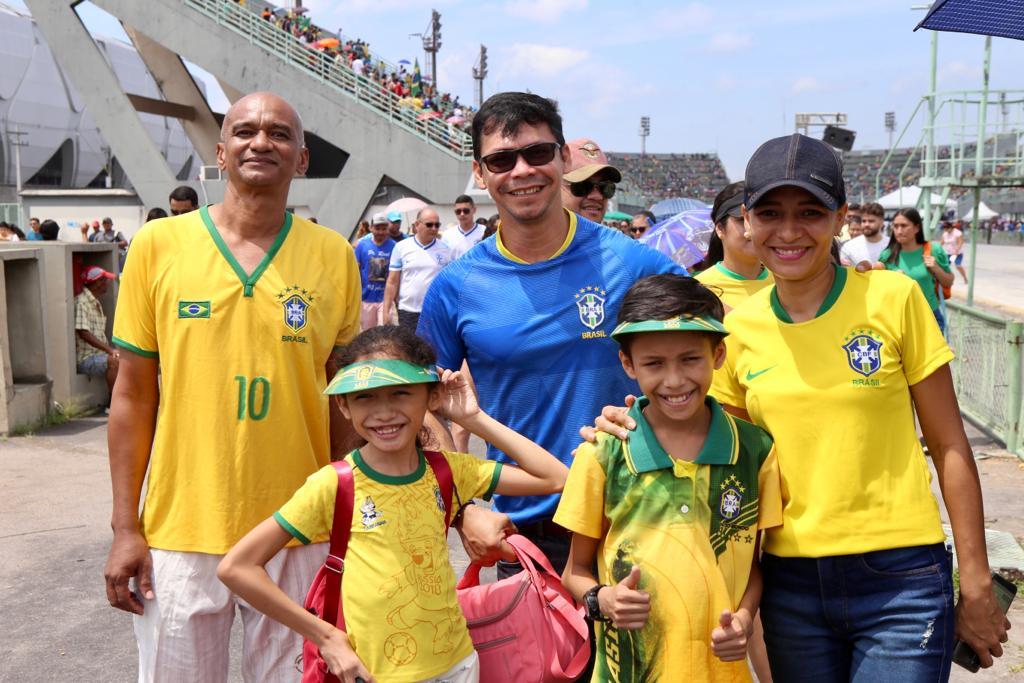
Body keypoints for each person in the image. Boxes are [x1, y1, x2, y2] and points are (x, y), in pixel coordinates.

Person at [594, 133, 1008, 680]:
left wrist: (975, 579)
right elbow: (715, 447)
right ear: (745, 220)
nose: (789, 232)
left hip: (902, 577)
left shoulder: (894, 299)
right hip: (788, 582)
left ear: (839, 218)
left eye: (810, 212)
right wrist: (630, 422)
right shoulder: (737, 329)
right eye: (770, 213)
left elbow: (952, 445)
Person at [104, 91, 362, 682]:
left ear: (301, 159)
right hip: (181, 528)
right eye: (244, 131)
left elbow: (343, 401)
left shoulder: (333, 256)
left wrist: (349, 517)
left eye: (279, 133)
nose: (260, 141)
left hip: (297, 528)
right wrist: (125, 528)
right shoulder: (158, 246)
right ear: (221, 153)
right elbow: (133, 396)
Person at [416, 92, 683, 579]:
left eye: (537, 153)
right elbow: (418, 404)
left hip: (633, 520)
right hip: (528, 540)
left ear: (562, 157)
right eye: (502, 159)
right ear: (480, 173)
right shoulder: (455, 287)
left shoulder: (630, 260)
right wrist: (463, 507)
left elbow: (709, 336)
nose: (522, 170)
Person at [217, 325, 568, 683]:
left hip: (457, 666)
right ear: (343, 404)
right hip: (371, 673)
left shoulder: (449, 471)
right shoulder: (335, 484)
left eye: (401, 393)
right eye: (364, 397)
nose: (383, 412)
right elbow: (237, 567)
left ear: (432, 398)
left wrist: (472, 418)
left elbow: (555, 477)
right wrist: (325, 636)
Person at [558, 274, 780, 681]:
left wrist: (746, 619)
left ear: (718, 354)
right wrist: (603, 599)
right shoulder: (602, 453)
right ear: (627, 363)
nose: (675, 381)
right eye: (654, 364)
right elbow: (574, 571)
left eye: (690, 359)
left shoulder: (755, 451)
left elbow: (755, 565)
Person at [696, 182, 773, 310]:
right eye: (742, 220)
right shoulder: (699, 291)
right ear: (720, 229)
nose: (751, 228)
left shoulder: (786, 281)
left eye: (761, 217)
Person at [877, 208, 954, 333]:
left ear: (917, 228)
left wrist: (936, 268)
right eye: (895, 226)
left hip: (930, 317)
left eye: (904, 226)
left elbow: (948, 282)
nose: (899, 231)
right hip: (898, 319)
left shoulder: (934, 250)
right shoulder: (887, 255)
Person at [383, 206, 451, 333]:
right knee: (409, 351)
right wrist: (386, 311)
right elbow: (392, 282)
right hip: (408, 311)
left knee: (432, 351)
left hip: (435, 311)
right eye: (429, 225)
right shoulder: (401, 247)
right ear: (417, 225)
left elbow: (449, 283)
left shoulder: (446, 250)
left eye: (437, 225)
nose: (434, 228)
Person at [75, 266, 120, 396]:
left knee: (128, 360)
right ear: (96, 283)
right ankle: (112, 403)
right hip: (86, 358)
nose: (106, 284)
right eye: (104, 281)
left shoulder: (94, 301)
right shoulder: (82, 302)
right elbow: (84, 333)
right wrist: (110, 350)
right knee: (115, 361)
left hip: (99, 354)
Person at [560, 138, 622, 224]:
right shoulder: (536, 236)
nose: (597, 196)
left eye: (604, 187)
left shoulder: (617, 237)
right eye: (582, 186)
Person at [354, 213, 396, 330]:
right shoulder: (362, 245)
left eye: (384, 228)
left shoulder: (394, 246)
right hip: (366, 298)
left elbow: (397, 274)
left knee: (384, 331)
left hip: (385, 299)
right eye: (377, 228)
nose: (381, 232)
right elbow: (355, 269)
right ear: (371, 228)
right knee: (368, 334)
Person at [838, 202, 886, 266]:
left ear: (881, 222)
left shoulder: (892, 246)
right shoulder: (848, 247)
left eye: (871, 221)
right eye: (864, 221)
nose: (866, 224)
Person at [441, 194, 484, 259]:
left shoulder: (484, 231)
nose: (462, 214)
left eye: (466, 211)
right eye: (458, 211)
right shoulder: (447, 235)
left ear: (474, 210)